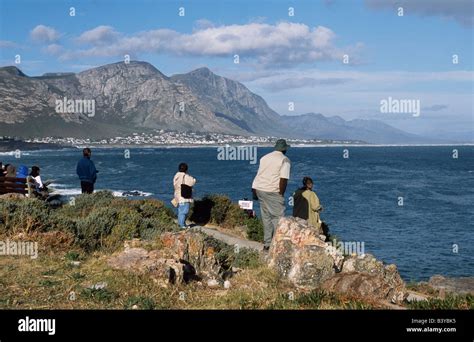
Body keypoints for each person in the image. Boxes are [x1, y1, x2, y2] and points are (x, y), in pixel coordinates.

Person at [251, 139, 291, 251]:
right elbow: (283, 179)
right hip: (272, 191)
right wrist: (281, 194)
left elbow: (260, 174)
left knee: (266, 217)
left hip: (259, 189)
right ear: (285, 149)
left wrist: (254, 189)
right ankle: (277, 245)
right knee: (278, 218)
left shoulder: (265, 157)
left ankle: (267, 244)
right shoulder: (285, 160)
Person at [173, 163, 196, 228]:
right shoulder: (185, 176)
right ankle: (181, 226)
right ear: (186, 169)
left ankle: (182, 224)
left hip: (178, 195)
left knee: (181, 210)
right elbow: (192, 182)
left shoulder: (176, 175)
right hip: (184, 196)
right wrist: (193, 179)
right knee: (184, 211)